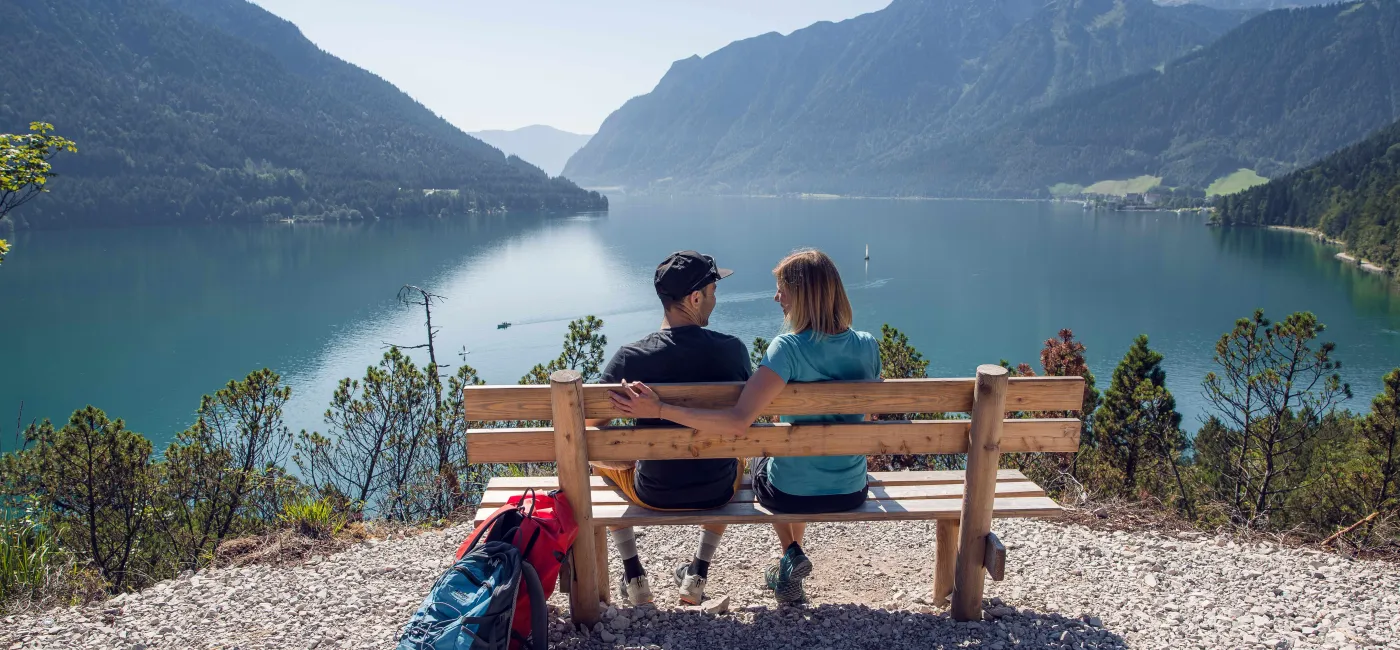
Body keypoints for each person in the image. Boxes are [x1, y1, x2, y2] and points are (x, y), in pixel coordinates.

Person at [610, 248, 881, 605]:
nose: (776, 296)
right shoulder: (867, 345)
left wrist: (658, 410)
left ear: (803, 294)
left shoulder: (786, 348)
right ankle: (774, 566)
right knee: (755, 456)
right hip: (852, 489)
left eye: (782, 288)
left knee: (603, 459)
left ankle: (788, 552)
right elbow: (871, 414)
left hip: (780, 492)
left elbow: (740, 421)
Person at [588, 250, 752, 607]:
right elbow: (749, 420)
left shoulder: (631, 358)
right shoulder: (733, 352)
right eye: (712, 291)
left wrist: (624, 462)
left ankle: (633, 575)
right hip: (718, 489)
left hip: (654, 491)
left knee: (600, 462)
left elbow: (592, 431)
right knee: (735, 454)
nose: (714, 299)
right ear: (695, 298)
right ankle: (697, 573)